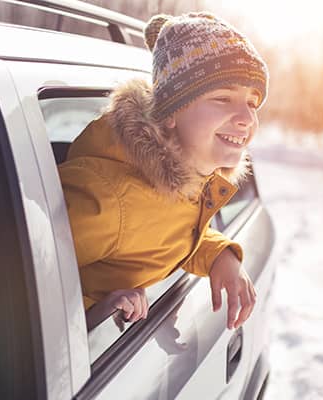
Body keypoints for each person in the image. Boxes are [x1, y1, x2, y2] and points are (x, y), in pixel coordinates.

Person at [59, 12, 267, 330]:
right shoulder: (107, 199)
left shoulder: (190, 176)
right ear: (169, 112)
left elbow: (171, 230)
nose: (245, 118)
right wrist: (92, 310)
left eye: (252, 103)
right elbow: (16, 274)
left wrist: (219, 255)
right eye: (223, 98)